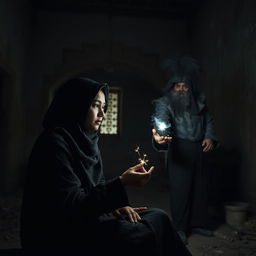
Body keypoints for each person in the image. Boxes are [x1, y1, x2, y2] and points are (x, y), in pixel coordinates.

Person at [20, 77, 192, 256]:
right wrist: (121, 183)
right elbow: (70, 208)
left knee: (158, 216)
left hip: (86, 220)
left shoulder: (87, 141)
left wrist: (114, 208)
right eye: (95, 106)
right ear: (76, 105)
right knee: (144, 233)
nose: (102, 114)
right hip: (59, 235)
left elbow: (94, 189)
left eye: (104, 107)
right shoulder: (54, 144)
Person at [151, 57, 218, 244]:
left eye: (184, 86)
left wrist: (209, 137)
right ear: (172, 88)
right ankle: (180, 228)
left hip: (199, 150)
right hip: (178, 150)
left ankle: (198, 224)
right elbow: (161, 120)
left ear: (190, 87)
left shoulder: (199, 102)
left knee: (199, 188)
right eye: (177, 86)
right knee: (180, 191)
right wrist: (162, 135)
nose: (181, 90)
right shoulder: (165, 103)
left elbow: (209, 121)